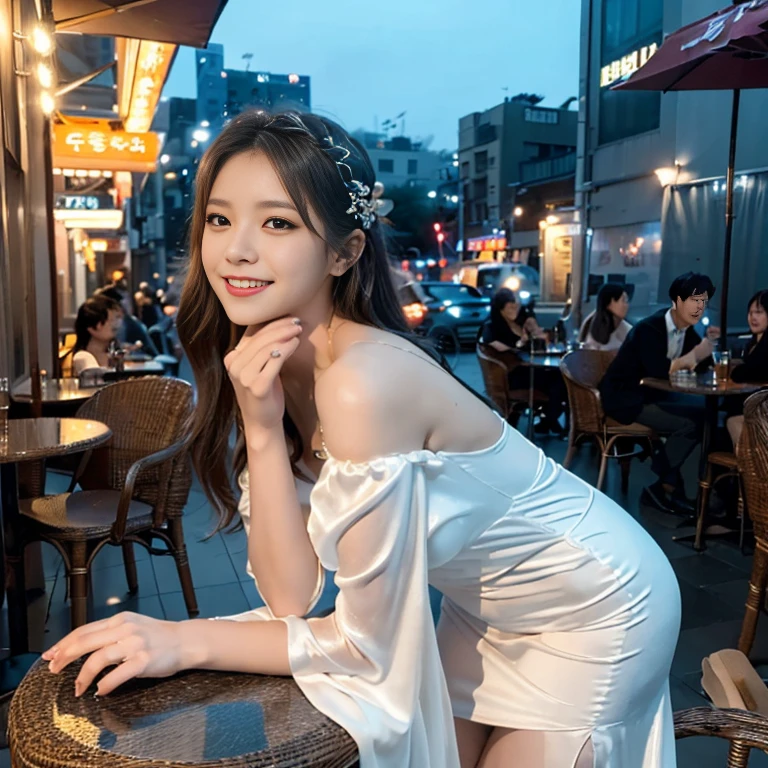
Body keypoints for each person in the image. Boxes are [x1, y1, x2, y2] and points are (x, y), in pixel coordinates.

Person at [44, 110, 681, 768]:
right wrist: (261, 431)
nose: (236, 249)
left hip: (595, 605)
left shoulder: (361, 381)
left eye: (278, 222)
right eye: (219, 218)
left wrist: (185, 640)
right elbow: (290, 598)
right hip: (484, 607)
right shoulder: (271, 361)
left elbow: (365, 645)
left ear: (345, 251)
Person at [599, 272, 720, 516]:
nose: (699, 307)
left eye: (703, 302)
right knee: (692, 423)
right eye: (694, 300)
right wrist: (697, 354)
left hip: (654, 396)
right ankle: (663, 484)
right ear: (676, 301)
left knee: (708, 416)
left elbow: (703, 367)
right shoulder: (650, 328)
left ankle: (678, 489)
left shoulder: (686, 330)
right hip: (625, 398)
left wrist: (710, 348)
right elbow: (658, 370)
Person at [481, 288, 566, 433]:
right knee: (558, 380)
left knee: (559, 377)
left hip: (523, 368)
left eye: (516, 305)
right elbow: (493, 344)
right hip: (510, 375)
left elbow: (531, 321)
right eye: (510, 306)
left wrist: (534, 331)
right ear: (501, 308)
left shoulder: (517, 321)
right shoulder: (493, 325)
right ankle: (549, 418)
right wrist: (519, 344)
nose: (514, 309)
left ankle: (548, 418)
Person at [725, 289, 768, 448]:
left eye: (759, 312)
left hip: (761, 409)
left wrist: (736, 369)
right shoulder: (753, 342)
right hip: (750, 404)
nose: (753, 317)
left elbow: (750, 372)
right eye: (750, 312)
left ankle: (750, 469)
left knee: (731, 417)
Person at [71, 295, 123, 375]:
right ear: (92, 327)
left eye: (118, 318)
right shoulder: (82, 357)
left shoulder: (116, 355)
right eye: (111, 320)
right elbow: (95, 376)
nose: (116, 324)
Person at [579, 283, 632, 351]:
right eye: (624, 300)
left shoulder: (626, 328)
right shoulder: (589, 324)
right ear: (611, 302)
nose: (627, 305)